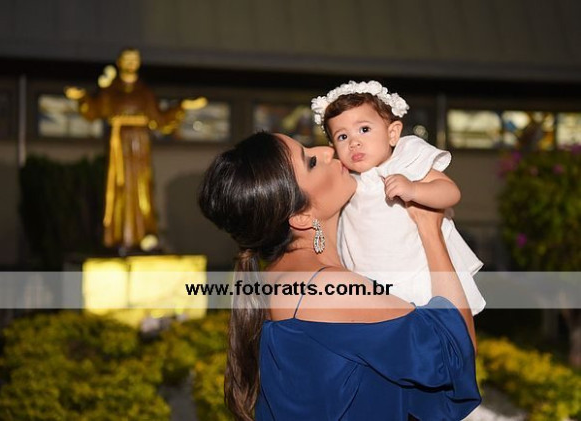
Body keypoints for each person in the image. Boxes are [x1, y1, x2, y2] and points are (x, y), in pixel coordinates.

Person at [198, 132, 481, 420]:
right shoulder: (325, 288)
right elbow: (455, 355)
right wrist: (430, 229)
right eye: (310, 162)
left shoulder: (275, 279)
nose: (327, 150)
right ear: (301, 217)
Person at [311, 80, 486, 314]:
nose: (354, 142)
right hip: (371, 276)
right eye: (342, 136)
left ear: (392, 133)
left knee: (431, 323)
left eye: (364, 129)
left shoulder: (404, 160)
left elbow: (450, 192)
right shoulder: (347, 182)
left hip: (420, 268)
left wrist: (415, 189)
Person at [65, 48, 185, 252]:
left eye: (134, 59)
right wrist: (82, 97)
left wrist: (181, 107)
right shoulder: (110, 90)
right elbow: (94, 110)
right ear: (119, 62)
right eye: (127, 59)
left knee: (142, 187)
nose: (131, 63)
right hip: (119, 144)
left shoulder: (145, 92)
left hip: (141, 145)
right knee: (119, 186)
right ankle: (119, 236)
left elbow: (160, 119)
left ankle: (146, 235)